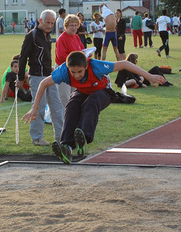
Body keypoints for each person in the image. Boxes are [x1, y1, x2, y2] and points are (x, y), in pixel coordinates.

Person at [22, 51, 166, 164]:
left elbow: (124, 64)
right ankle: (67, 146)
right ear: (68, 69)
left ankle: (84, 137)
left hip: (103, 92)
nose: (77, 75)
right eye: (73, 72)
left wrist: (149, 76)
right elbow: (43, 84)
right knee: (71, 106)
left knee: (91, 103)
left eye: (80, 72)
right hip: (82, 92)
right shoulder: (63, 71)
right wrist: (34, 108)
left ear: (86, 66)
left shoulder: (95, 65)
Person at [17, 9, 63, 146]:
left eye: (52, 23)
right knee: (39, 105)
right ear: (40, 21)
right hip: (36, 76)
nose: (50, 25)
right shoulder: (32, 36)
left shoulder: (48, 36)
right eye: (47, 22)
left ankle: (60, 136)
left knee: (56, 105)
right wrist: (20, 77)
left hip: (50, 76)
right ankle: (36, 137)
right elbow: (23, 57)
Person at [55, 14, 84, 107]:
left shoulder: (76, 37)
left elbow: (81, 49)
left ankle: (73, 117)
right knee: (64, 96)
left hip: (75, 70)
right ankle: (65, 118)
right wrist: (75, 58)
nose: (74, 27)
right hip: (63, 69)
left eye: (76, 25)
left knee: (74, 94)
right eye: (72, 25)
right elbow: (61, 56)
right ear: (66, 26)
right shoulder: (62, 38)